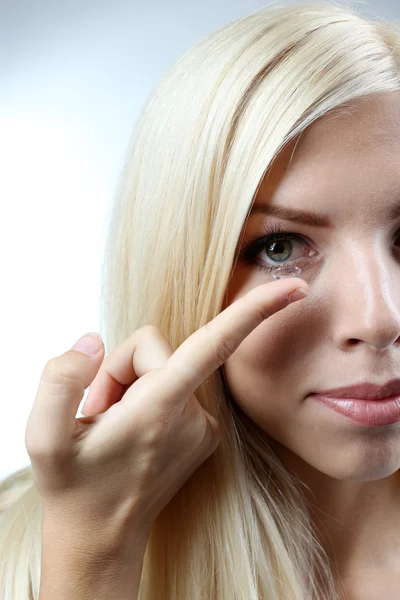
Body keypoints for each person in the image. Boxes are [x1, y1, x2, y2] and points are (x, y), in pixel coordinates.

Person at [2, 1, 400, 598]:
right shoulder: (25, 559)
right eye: (279, 246)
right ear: (181, 270)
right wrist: (92, 553)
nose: (379, 319)